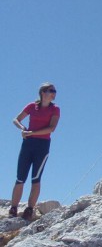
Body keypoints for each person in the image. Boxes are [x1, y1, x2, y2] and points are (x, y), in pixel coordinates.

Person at [9, 82, 61, 221]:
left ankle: (29, 209)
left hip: (42, 145)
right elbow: (16, 119)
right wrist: (22, 128)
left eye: (55, 91)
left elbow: (51, 128)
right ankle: (13, 208)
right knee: (20, 177)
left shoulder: (55, 109)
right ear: (43, 93)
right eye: (51, 90)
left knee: (36, 178)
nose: (54, 93)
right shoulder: (32, 106)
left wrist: (32, 132)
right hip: (28, 144)